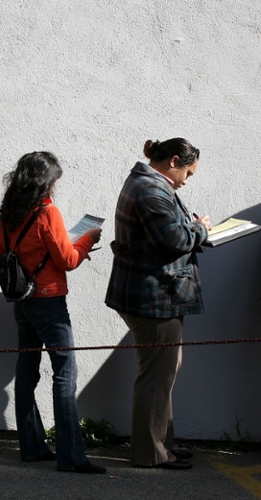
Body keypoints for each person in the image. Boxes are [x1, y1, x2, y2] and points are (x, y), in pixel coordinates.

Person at [0, 152, 106, 474]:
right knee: (65, 374)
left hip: (22, 301)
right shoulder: (47, 212)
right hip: (50, 301)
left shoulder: (7, 214)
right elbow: (68, 259)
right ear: (45, 181)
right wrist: (87, 240)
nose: (56, 185)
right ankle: (71, 456)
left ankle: (32, 447)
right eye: (54, 179)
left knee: (27, 372)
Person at [105, 138, 211, 470]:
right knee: (156, 377)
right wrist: (200, 228)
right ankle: (150, 453)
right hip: (154, 295)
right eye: (188, 174)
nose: (186, 181)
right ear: (175, 161)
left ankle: (163, 445)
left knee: (163, 372)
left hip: (150, 292)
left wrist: (188, 225)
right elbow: (174, 241)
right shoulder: (152, 190)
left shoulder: (147, 181)